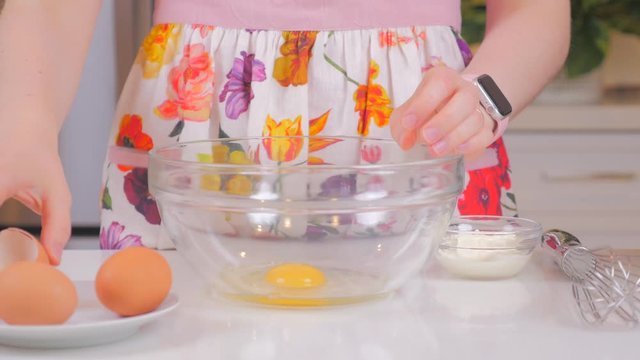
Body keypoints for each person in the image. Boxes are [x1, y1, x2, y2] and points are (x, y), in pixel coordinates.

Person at [0, 0, 570, 264]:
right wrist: (24, 124)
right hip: (197, 126)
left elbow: (537, 12)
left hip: (415, 137)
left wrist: (486, 96)